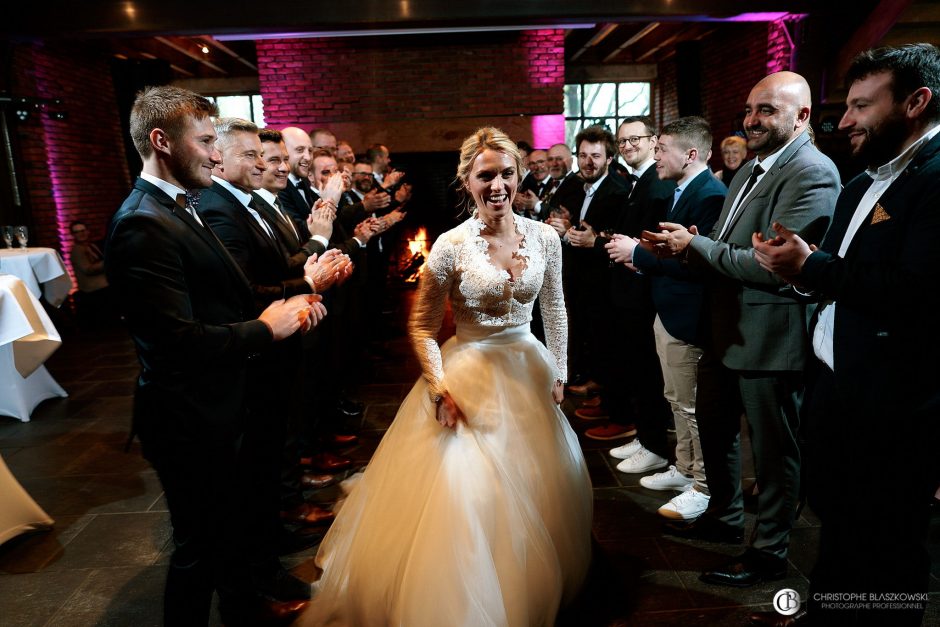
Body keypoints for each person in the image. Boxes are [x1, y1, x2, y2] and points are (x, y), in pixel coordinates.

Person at [301, 127, 592, 626]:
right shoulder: (451, 246)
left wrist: (560, 369)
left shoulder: (545, 236)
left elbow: (557, 309)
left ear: (519, 177)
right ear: (466, 181)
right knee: (468, 492)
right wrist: (439, 388)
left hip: (528, 370)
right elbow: (421, 325)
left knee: (538, 481)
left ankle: (527, 575)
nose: (497, 185)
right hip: (469, 372)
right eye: (485, 176)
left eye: (506, 174)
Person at [104, 86, 324, 626]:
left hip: (220, 402)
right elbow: (173, 341)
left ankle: (246, 606)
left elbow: (224, 292)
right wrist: (264, 330)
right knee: (198, 551)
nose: (216, 154)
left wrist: (290, 300)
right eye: (205, 141)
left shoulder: (180, 204)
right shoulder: (141, 222)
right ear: (162, 141)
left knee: (229, 529)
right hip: (185, 416)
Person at [750, 43, 940, 627]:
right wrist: (801, 271)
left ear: (916, 101)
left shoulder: (934, 180)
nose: (847, 120)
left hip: (894, 399)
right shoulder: (865, 182)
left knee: (888, 543)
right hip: (837, 384)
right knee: (840, 522)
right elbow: (839, 271)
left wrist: (811, 268)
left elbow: (916, 290)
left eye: (861, 105)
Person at [643, 71, 840, 587]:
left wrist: (699, 248)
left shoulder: (812, 171)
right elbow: (726, 240)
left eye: (767, 110)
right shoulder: (749, 169)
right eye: (750, 110)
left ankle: (770, 550)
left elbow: (774, 265)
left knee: (775, 453)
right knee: (714, 428)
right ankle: (726, 518)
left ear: (801, 117)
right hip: (726, 326)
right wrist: (688, 241)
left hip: (770, 335)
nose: (752, 119)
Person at [606, 116, 727, 520]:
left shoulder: (710, 195)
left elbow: (698, 265)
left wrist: (639, 255)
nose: (656, 155)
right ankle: (686, 469)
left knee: (692, 408)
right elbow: (673, 253)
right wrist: (651, 254)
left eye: (662, 148)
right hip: (668, 309)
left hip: (688, 315)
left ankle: (705, 487)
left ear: (690, 154)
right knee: (677, 401)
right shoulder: (681, 190)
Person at [69, 220, 117, 327]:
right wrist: (109, 260)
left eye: (83, 230)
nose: (81, 234)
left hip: (103, 282)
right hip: (93, 287)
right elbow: (88, 270)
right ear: (73, 235)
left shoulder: (90, 245)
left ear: (88, 231)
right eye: (77, 232)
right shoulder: (77, 250)